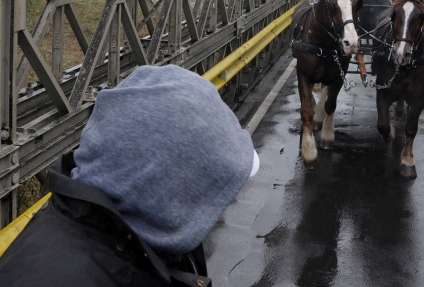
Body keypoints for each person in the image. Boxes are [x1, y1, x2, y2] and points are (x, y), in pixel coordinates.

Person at [0, 65, 260, 287]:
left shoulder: (130, 238)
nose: (213, 216)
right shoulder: (54, 277)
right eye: (207, 193)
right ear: (166, 188)